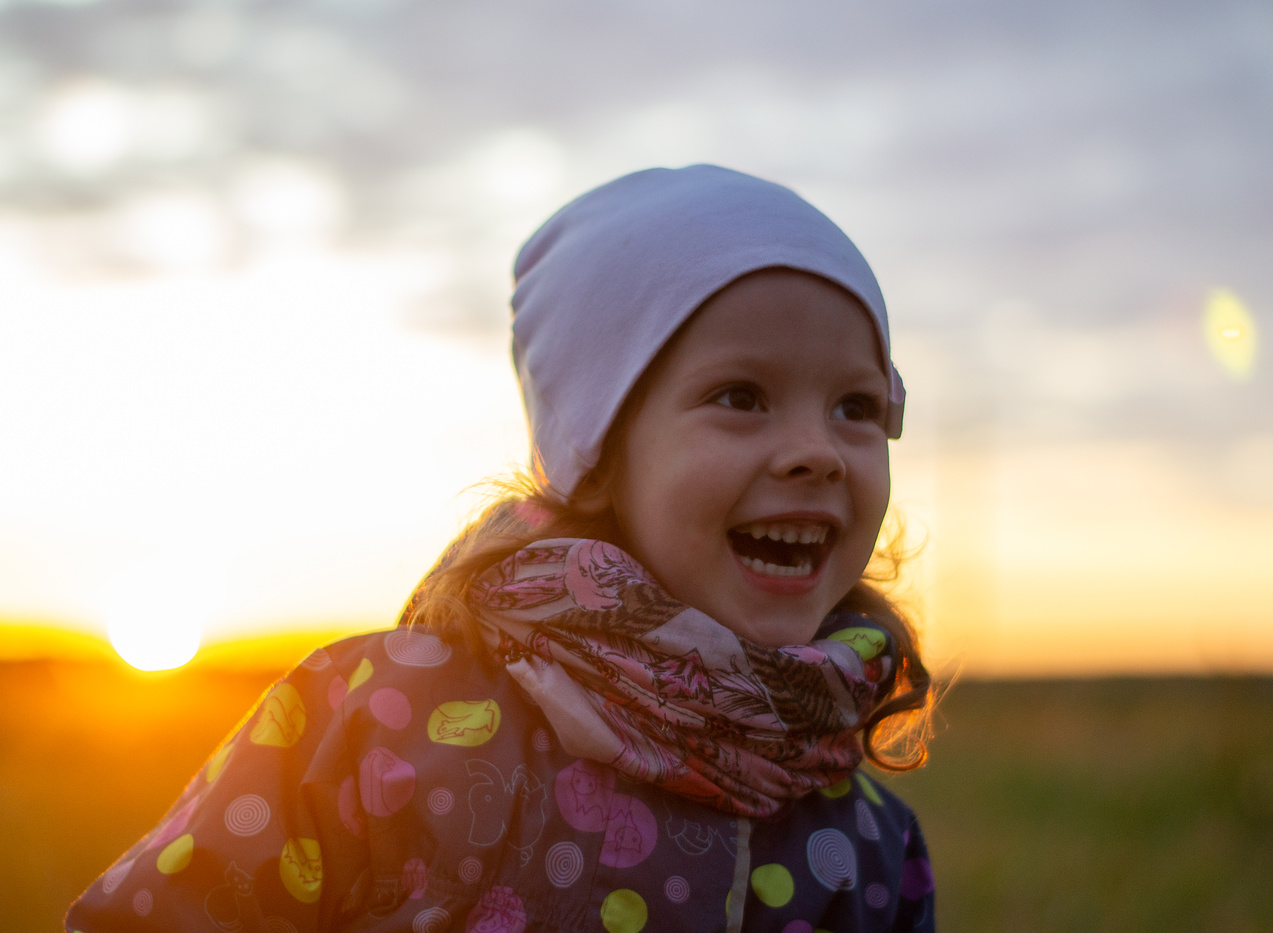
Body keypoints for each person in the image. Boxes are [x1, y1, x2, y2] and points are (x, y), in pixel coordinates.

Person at [66, 165, 938, 933]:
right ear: (596, 458)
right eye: (741, 395)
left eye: (856, 407)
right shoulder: (380, 723)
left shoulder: (868, 844)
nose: (816, 450)